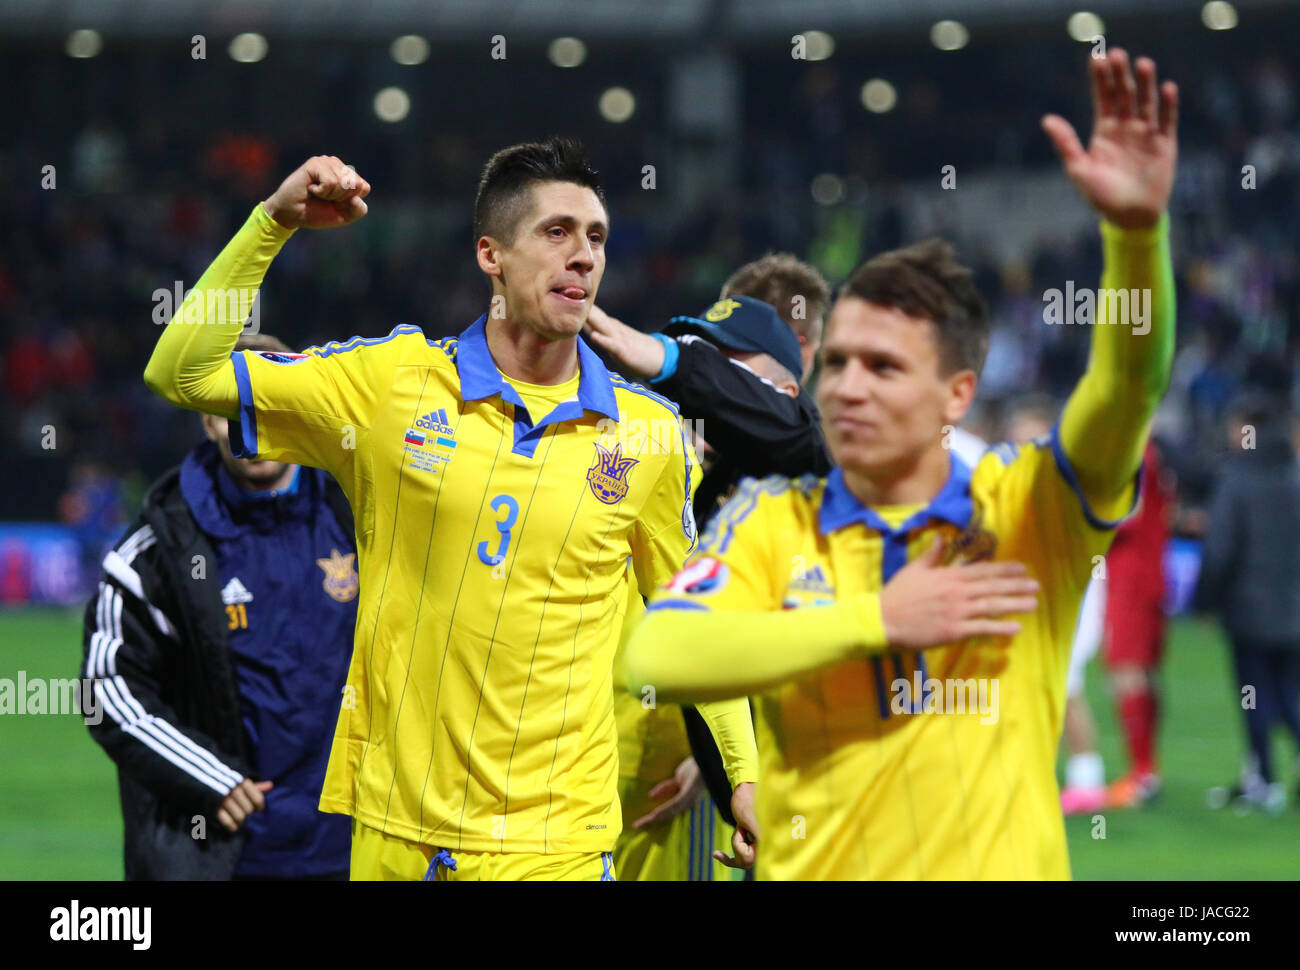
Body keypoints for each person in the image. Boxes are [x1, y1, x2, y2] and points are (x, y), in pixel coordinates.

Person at [625, 48, 1178, 879]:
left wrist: (1135, 241)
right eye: (839, 362)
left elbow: (1124, 391)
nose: (849, 387)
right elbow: (658, 657)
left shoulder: (1025, 510)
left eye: (884, 367)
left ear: (958, 394)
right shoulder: (773, 519)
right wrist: (878, 620)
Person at [141, 138, 758, 881]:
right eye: (556, 232)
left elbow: (694, 623)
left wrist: (743, 780)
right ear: (490, 255)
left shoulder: (649, 435)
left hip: (553, 849)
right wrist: (272, 222)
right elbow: (181, 371)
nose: (585, 256)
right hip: (396, 838)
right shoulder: (389, 385)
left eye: (595, 236)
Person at [588, 261, 832, 880]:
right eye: (701, 359)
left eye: (725, 371)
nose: (694, 399)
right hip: (619, 769)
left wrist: (673, 361)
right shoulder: (667, 473)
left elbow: (801, 440)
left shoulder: (811, 479)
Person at [82, 333, 358, 880]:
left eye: (262, 406)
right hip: (218, 856)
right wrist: (212, 778)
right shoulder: (155, 550)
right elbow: (106, 690)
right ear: (205, 420)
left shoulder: (359, 516)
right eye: (228, 409)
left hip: (353, 851)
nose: (246, 426)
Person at [1198, 392, 1300, 815]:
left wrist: (1204, 600)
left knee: (1254, 696)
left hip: (1249, 610)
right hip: (1294, 610)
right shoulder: (1294, 476)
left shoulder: (1237, 479)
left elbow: (1220, 548)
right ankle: (1264, 778)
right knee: (1290, 694)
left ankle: (1263, 781)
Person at [1101, 437, 1174, 808]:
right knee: (1141, 672)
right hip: (1151, 571)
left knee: (1125, 671)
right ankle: (1147, 771)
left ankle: (1141, 774)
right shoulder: (1150, 452)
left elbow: (1126, 515)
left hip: (1130, 576)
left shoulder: (1130, 451)